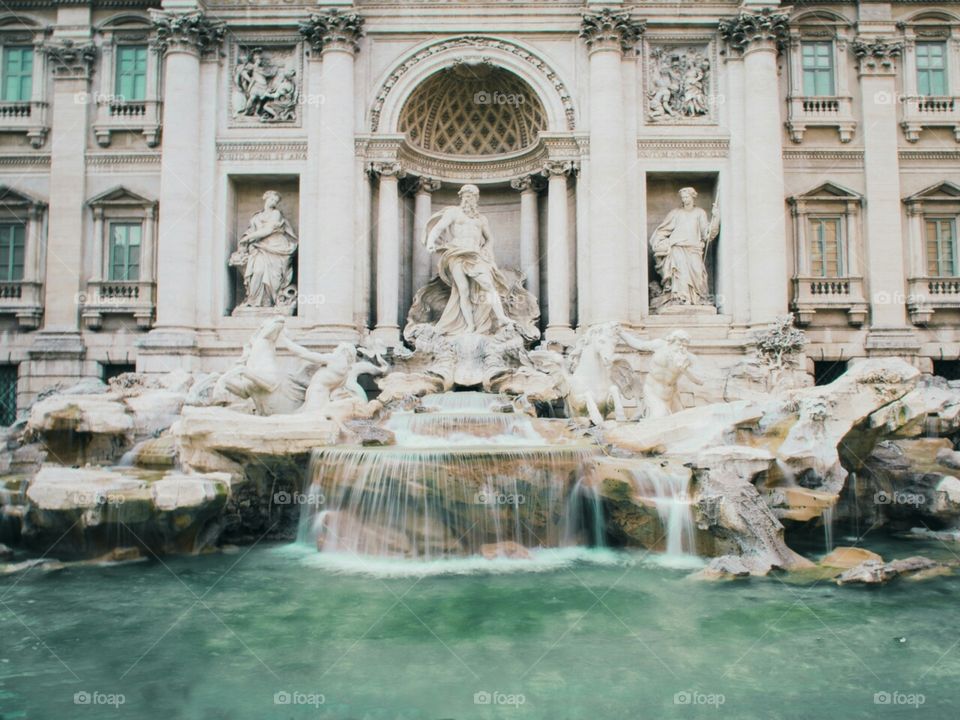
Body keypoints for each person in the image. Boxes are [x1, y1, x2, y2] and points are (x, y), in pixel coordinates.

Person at [422, 184, 515, 335]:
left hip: (475, 254)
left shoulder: (481, 219)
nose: (467, 198)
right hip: (456, 253)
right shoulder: (454, 212)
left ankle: (501, 317)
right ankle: (470, 325)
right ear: (461, 197)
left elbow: (490, 239)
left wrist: (487, 251)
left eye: (470, 196)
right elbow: (438, 228)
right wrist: (431, 242)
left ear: (476, 198)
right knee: (463, 290)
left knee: (488, 285)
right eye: (464, 196)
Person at [650, 187, 720, 306]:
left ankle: (699, 298)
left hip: (694, 248)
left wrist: (716, 218)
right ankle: (682, 299)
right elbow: (662, 230)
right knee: (680, 274)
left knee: (698, 273)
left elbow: (707, 234)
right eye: (683, 197)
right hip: (677, 247)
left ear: (693, 197)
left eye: (687, 196)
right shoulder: (675, 213)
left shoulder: (700, 213)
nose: (684, 199)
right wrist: (659, 242)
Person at [233, 191, 298, 308]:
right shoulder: (256, 216)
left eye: (276, 201)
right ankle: (253, 301)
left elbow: (267, 230)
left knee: (274, 277)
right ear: (266, 199)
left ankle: (268, 301)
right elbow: (251, 230)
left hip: (275, 246)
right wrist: (245, 241)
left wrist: (248, 238)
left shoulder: (276, 213)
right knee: (257, 271)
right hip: (259, 248)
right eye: (272, 199)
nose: (274, 202)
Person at [620, 328, 703, 419]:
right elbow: (639, 344)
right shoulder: (659, 345)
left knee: (680, 420)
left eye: (685, 346)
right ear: (671, 342)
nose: (681, 348)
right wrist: (621, 333)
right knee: (660, 417)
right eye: (679, 344)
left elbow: (700, 381)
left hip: (671, 395)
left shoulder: (689, 358)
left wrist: (685, 370)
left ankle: (644, 413)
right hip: (652, 390)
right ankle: (647, 409)